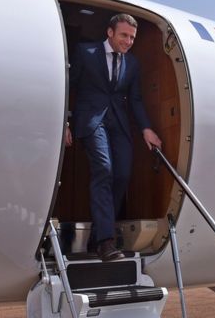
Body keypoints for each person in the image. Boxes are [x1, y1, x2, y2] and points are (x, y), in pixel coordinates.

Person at [65, 13, 162, 261]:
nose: (129, 41)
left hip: (118, 123)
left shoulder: (132, 64)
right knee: (104, 170)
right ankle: (105, 242)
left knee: (122, 175)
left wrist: (146, 128)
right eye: (124, 35)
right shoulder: (86, 52)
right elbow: (69, 86)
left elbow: (136, 100)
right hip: (90, 120)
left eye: (132, 37)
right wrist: (65, 120)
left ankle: (99, 234)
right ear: (110, 33)